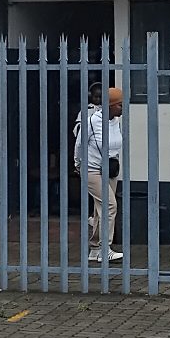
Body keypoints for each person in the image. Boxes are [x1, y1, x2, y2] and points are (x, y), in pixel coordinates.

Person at [74, 81, 124, 263]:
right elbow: (80, 144)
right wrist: (78, 164)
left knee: (100, 209)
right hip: (92, 169)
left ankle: (95, 249)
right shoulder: (92, 121)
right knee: (110, 206)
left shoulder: (116, 121)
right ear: (110, 105)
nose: (122, 108)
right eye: (120, 105)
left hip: (109, 169)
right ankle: (105, 249)